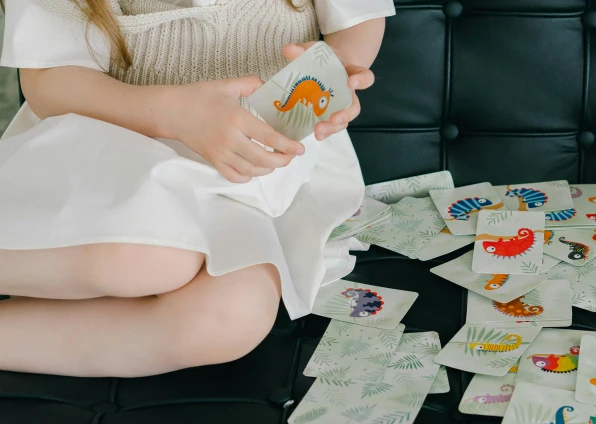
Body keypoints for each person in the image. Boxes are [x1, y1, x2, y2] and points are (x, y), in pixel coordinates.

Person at [0, 0, 394, 377]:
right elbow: (47, 80)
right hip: (116, 135)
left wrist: (338, 68)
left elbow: (356, 20)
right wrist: (175, 114)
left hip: (258, 162)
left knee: (232, 317)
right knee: (149, 258)